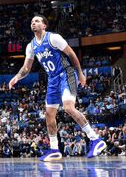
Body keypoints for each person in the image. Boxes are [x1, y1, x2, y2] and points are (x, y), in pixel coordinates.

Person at [8, 14, 106, 161]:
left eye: (37, 21)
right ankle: (54, 149)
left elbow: (72, 55)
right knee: (49, 114)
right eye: (32, 21)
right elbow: (26, 68)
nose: (33, 23)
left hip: (66, 74)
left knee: (68, 107)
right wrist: (16, 78)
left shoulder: (54, 38)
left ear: (44, 25)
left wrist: (80, 73)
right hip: (52, 79)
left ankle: (95, 139)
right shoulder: (31, 46)